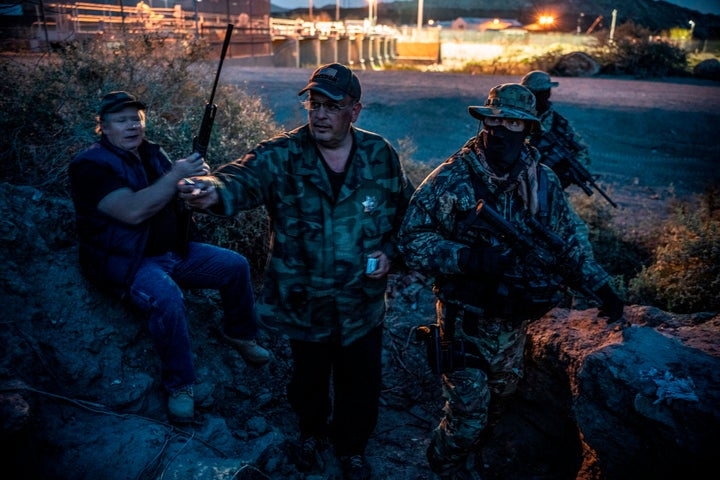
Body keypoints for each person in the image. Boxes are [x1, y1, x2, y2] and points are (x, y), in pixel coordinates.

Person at [178, 63, 414, 480]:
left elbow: (406, 215)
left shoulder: (380, 155)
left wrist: (392, 254)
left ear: (354, 110)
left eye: (332, 106)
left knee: (360, 383)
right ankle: (310, 433)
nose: (320, 114)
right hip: (304, 302)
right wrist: (209, 191)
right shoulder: (281, 154)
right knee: (308, 379)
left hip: (362, 303)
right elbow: (240, 178)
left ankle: (352, 448)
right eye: (313, 104)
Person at [397, 83, 624, 479]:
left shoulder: (543, 182)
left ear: (529, 129)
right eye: (495, 120)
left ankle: (468, 464)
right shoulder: (453, 179)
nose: (501, 129)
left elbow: (568, 243)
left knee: (498, 405)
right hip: (464, 320)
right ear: (484, 122)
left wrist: (602, 288)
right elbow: (411, 240)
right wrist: (466, 257)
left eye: (513, 122)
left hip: (513, 325)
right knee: (467, 418)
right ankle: (440, 467)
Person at [68, 91, 271, 424]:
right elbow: (134, 211)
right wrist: (175, 175)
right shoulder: (90, 166)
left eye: (137, 118)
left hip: (174, 252)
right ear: (102, 127)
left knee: (235, 265)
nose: (132, 126)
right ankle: (180, 386)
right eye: (122, 120)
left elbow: (172, 193)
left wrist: (194, 187)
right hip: (129, 262)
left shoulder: (151, 154)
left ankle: (239, 332)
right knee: (167, 297)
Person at [520, 70, 592, 189]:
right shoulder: (515, 117)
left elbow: (581, 152)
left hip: (546, 184)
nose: (535, 98)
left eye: (540, 93)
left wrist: (566, 174)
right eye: (533, 93)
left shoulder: (559, 123)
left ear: (547, 93)